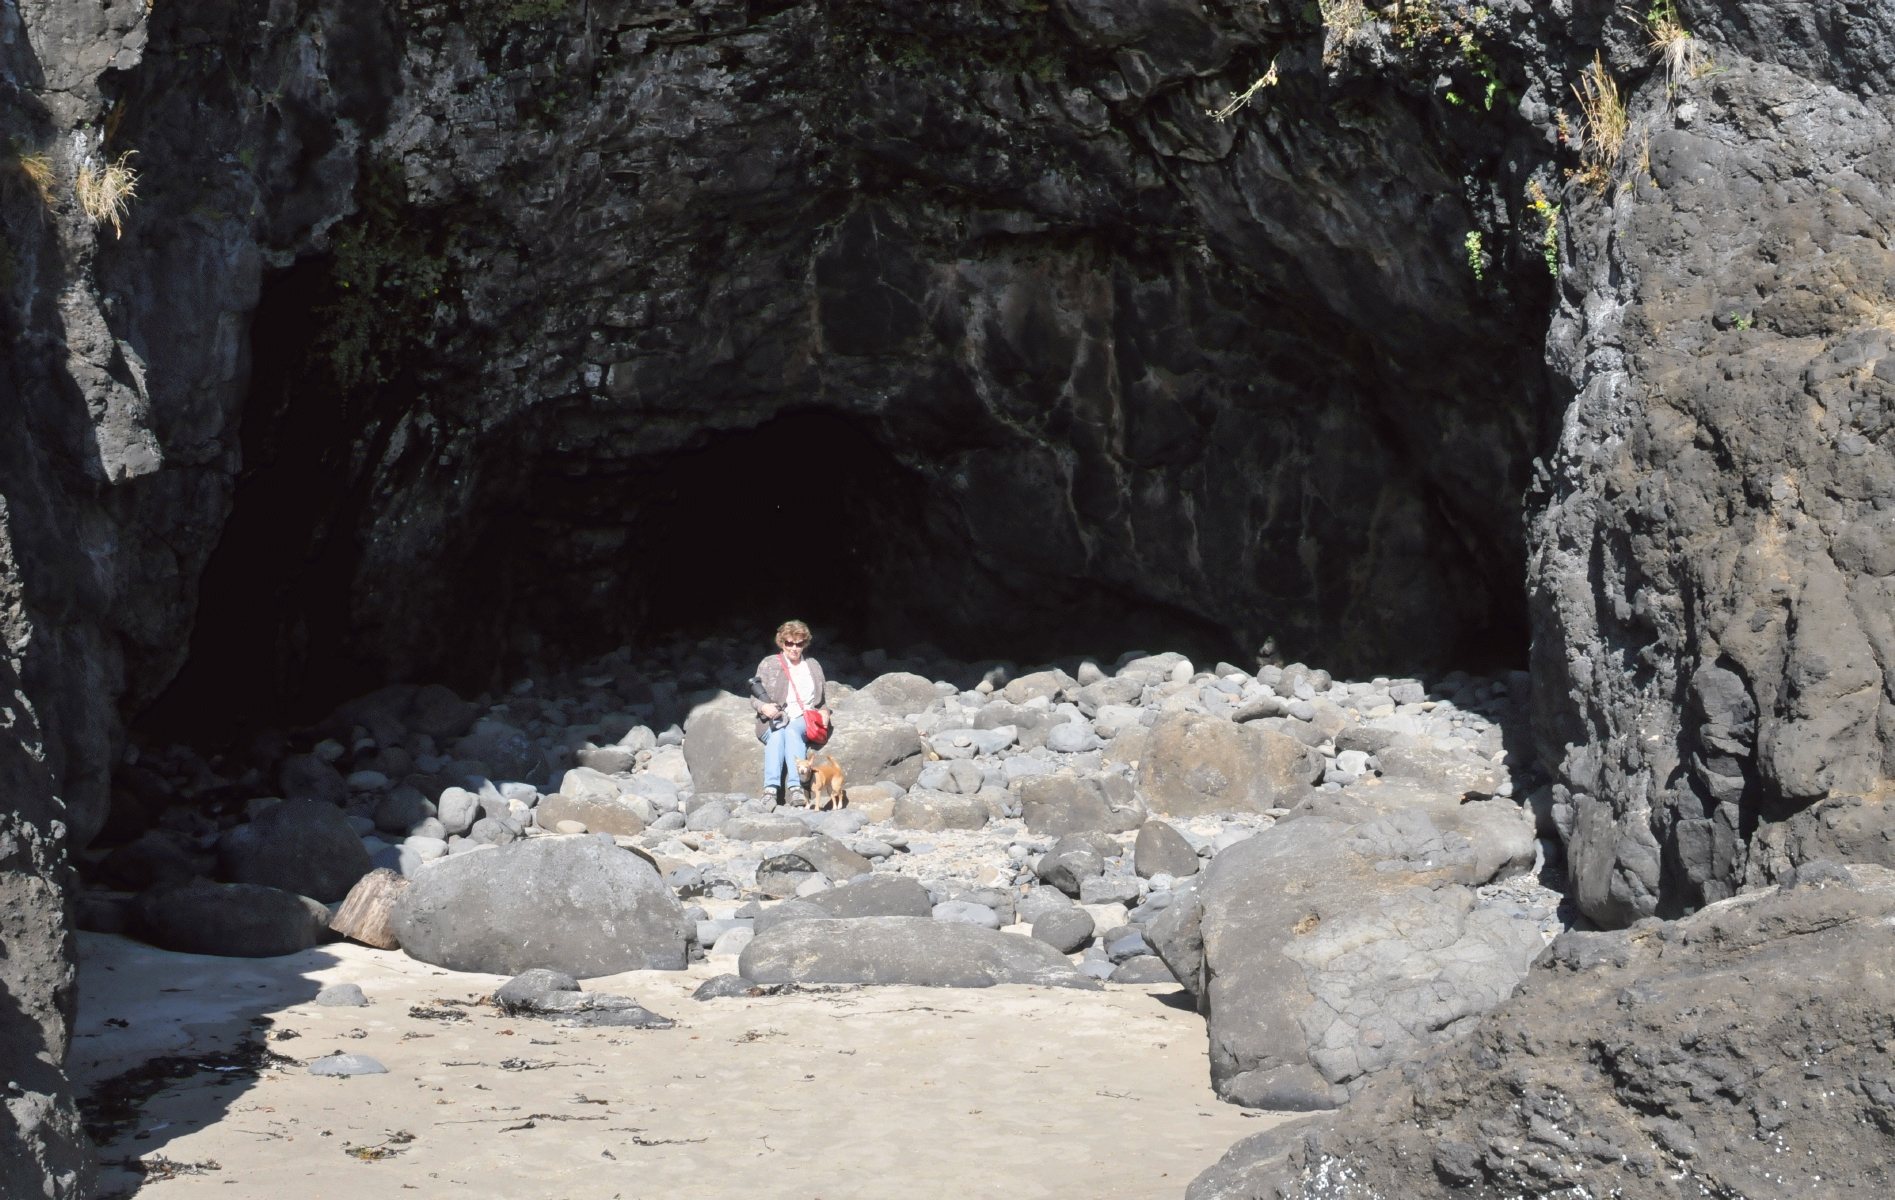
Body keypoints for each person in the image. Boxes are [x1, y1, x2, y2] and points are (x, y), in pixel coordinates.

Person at [751, 620, 830, 807]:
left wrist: (825, 712)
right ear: (782, 642)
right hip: (775, 719)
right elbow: (754, 697)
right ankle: (770, 789)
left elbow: (823, 700)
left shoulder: (813, 665)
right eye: (789, 643)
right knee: (778, 735)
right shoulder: (769, 664)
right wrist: (763, 707)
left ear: (804, 644)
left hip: (805, 717)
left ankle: (796, 788)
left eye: (799, 643)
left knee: (792, 731)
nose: (794, 648)